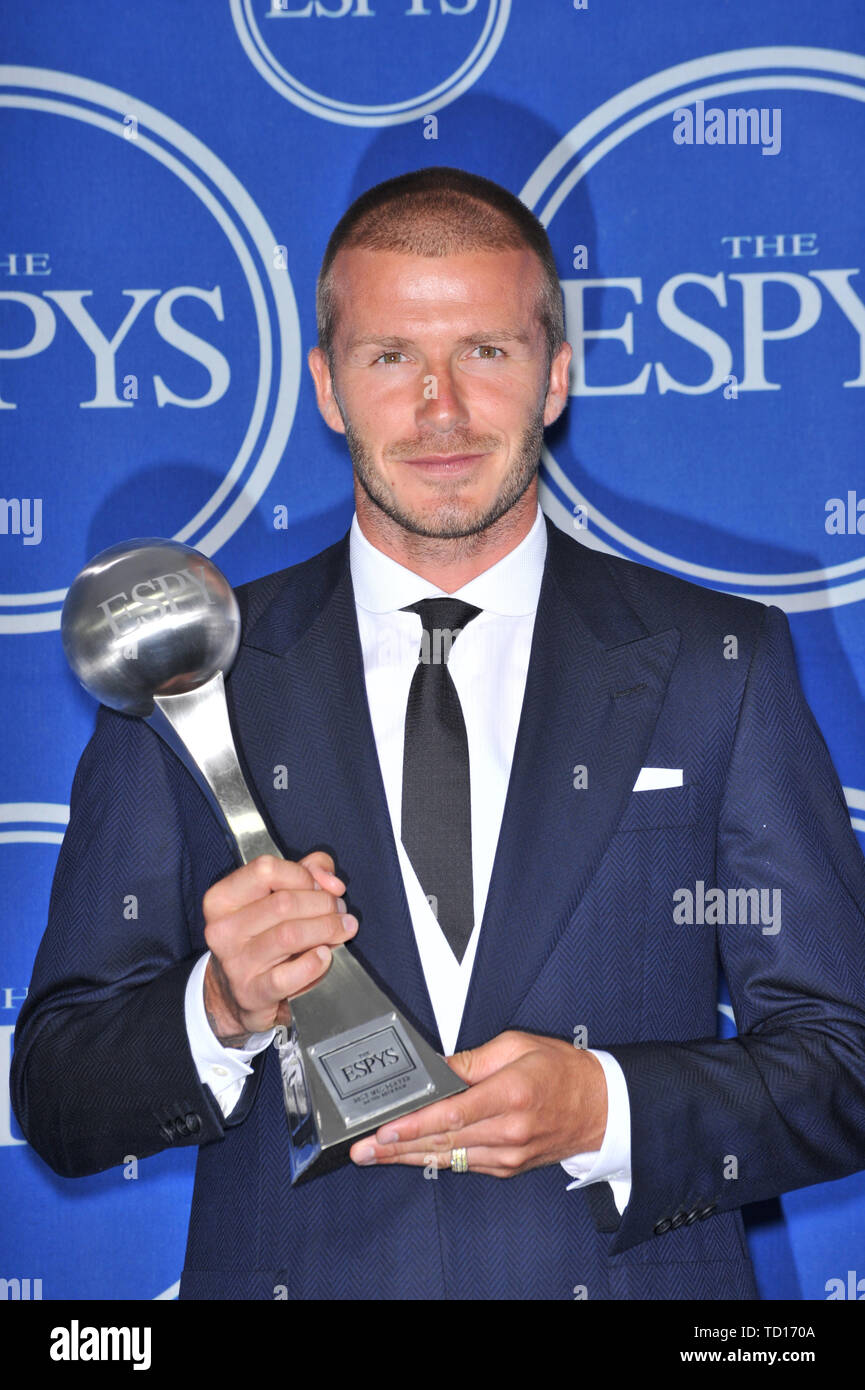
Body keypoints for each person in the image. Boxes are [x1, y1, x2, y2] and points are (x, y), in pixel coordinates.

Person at [12, 166, 865, 1301]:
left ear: (556, 374)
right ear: (325, 384)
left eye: (486, 352)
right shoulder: (190, 675)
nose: (441, 410)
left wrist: (605, 1105)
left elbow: (844, 1068)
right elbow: (60, 1098)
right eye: (390, 358)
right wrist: (217, 1011)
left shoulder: (722, 662)